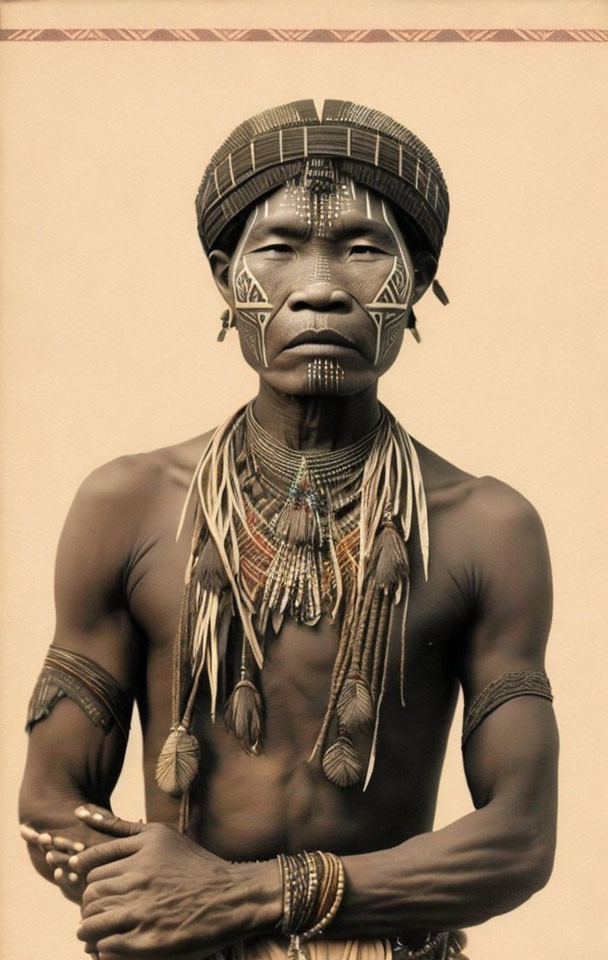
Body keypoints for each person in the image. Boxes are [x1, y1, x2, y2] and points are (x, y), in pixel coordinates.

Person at [19, 99, 558, 960]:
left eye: (362, 247)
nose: (319, 286)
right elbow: (52, 801)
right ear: (227, 280)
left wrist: (243, 897)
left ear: (416, 281)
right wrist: (155, 904)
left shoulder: (488, 528)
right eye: (277, 249)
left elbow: (521, 840)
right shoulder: (124, 505)